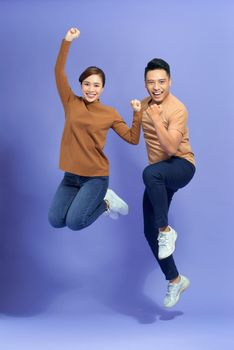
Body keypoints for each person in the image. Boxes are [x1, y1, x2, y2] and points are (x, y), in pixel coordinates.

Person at [48, 27, 141, 230]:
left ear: (102, 89)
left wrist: (137, 113)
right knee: (55, 220)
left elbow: (133, 139)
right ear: (81, 85)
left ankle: (106, 202)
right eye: (87, 84)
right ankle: (103, 199)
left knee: (74, 222)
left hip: (95, 178)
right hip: (71, 176)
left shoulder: (110, 113)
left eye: (96, 85)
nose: (91, 89)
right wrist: (67, 41)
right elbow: (58, 71)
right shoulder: (71, 102)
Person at [133, 58, 195, 308]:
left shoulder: (178, 109)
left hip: (181, 165)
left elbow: (170, 148)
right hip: (160, 174)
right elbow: (134, 137)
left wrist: (157, 117)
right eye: (151, 82)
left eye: (161, 81)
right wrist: (137, 114)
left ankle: (166, 231)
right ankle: (175, 280)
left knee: (150, 174)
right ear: (145, 84)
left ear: (170, 81)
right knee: (148, 230)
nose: (156, 87)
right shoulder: (145, 103)